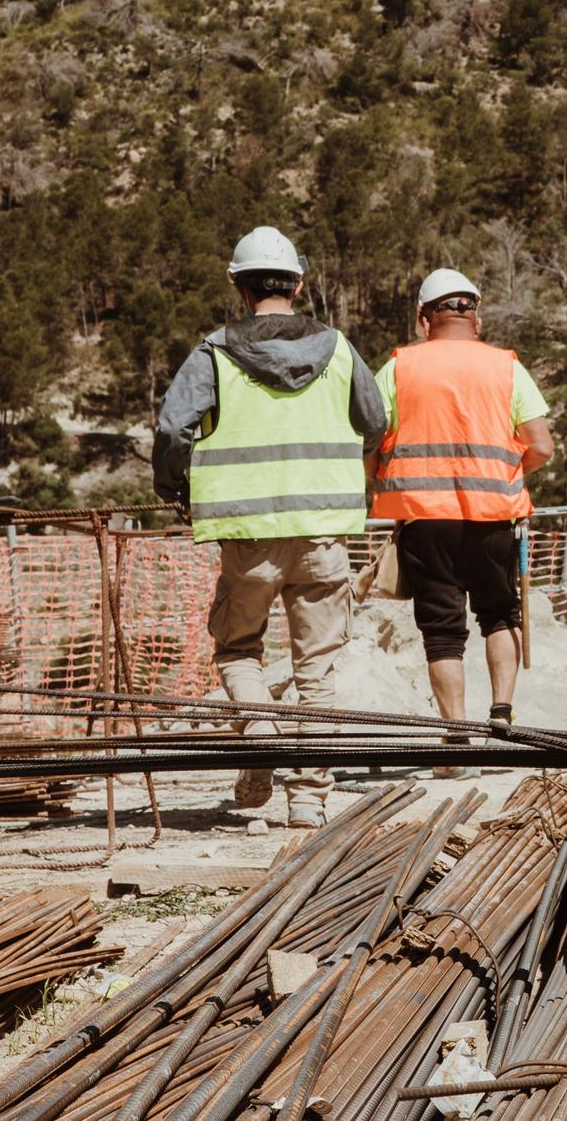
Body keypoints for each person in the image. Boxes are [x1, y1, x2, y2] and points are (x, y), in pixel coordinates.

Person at [153, 226, 387, 829]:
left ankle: (260, 735)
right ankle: (308, 796)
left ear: (238, 284)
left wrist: (175, 490)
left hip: (248, 534)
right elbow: (375, 421)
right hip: (321, 533)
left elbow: (172, 430)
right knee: (318, 672)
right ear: (299, 283)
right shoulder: (338, 348)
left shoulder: (214, 350)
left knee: (237, 650)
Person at [372, 269, 553, 770]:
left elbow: (368, 439)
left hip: (425, 521)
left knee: (442, 633)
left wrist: (380, 481)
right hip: (494, 516)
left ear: (423, 317)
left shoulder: (398, 367)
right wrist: (507, 474)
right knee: (500, 614)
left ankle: (454, 739)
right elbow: (541, 445)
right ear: (476, 314)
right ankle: (501, 715)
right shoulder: (506, 368)